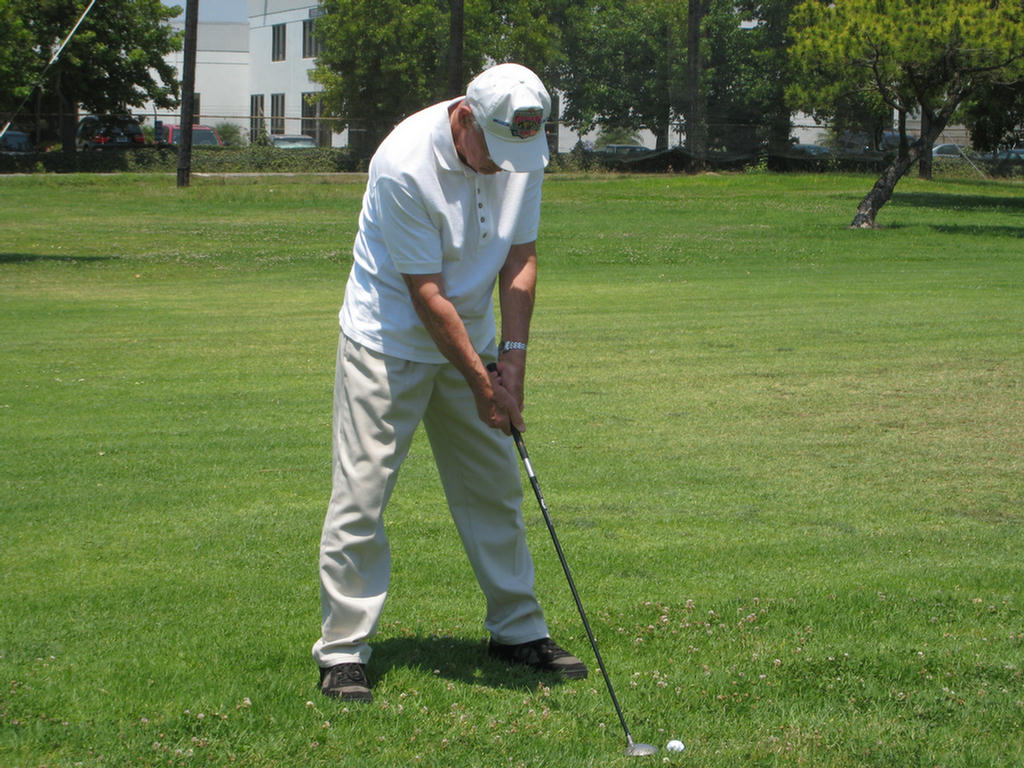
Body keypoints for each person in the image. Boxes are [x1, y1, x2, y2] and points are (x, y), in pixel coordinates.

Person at [313, 63, 587, 702]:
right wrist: (483, 382)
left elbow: (520, 258)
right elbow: (426, 293)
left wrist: (512, 361)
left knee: (494, 488)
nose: (503, 166)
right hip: (388, 341)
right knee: (362, 495)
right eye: (494, 150)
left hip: (475, 335)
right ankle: (344, 650)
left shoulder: (523, 151)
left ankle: (517, 631)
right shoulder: (403, 163)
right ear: (465, 117)